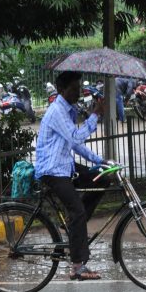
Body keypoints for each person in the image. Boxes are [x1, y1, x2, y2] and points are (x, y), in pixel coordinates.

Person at [34, 71, 113, 281]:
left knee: (103, 177)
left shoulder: (69, 110)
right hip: (52, 170)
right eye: (74, 89)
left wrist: (100, 162)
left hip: (64, 166)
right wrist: (95, 115)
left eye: (79, 88)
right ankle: (77, 266)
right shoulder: (57, 111)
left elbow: (74, 144)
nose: (78, 93)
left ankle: (73, 227)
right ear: (62, 90)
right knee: (77, 211)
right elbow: (76, 136)